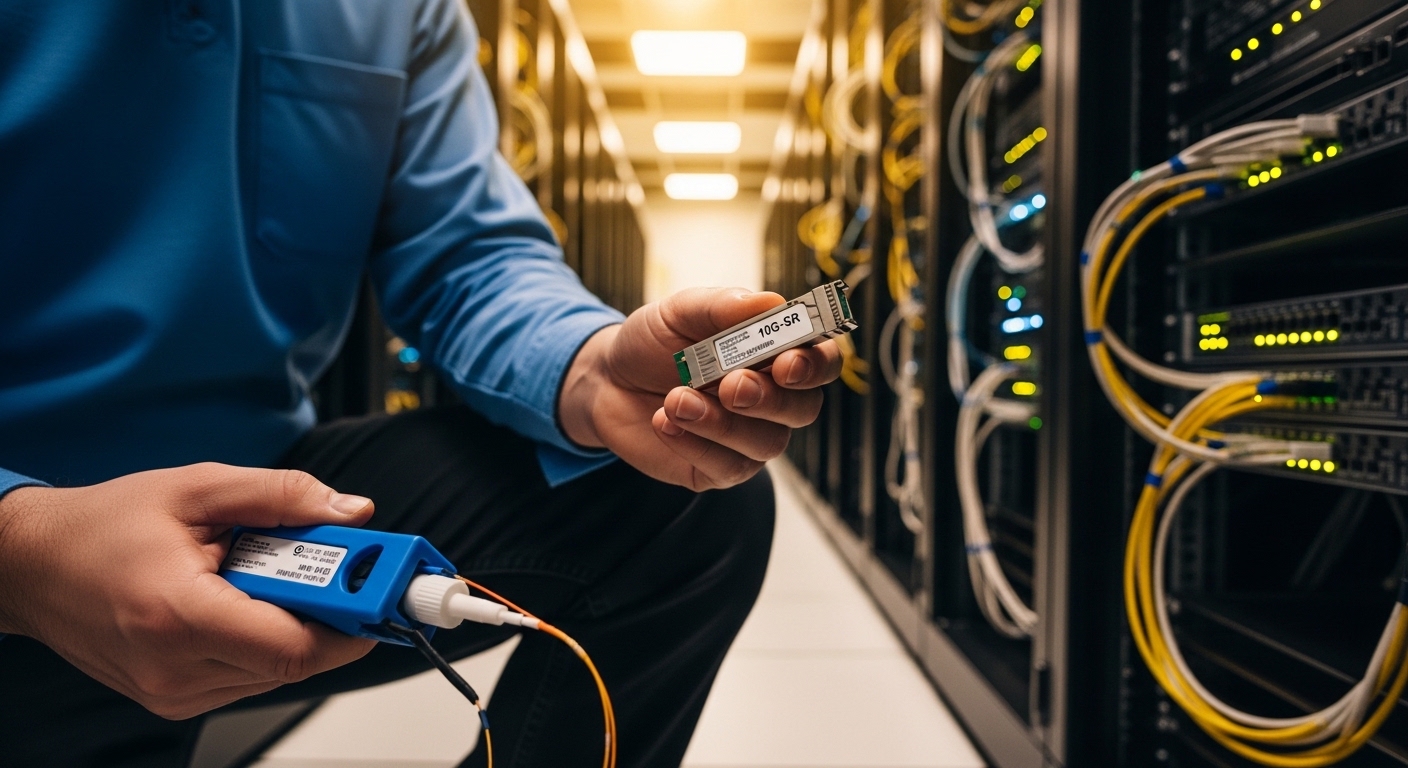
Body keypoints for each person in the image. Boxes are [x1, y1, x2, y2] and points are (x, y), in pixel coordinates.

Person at [0, 1, 840, 766]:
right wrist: (25, 553)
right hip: (26, 527)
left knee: (679, 494)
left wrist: (588, 368)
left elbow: (467, 255)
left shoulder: (403, 12)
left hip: (254, 505)